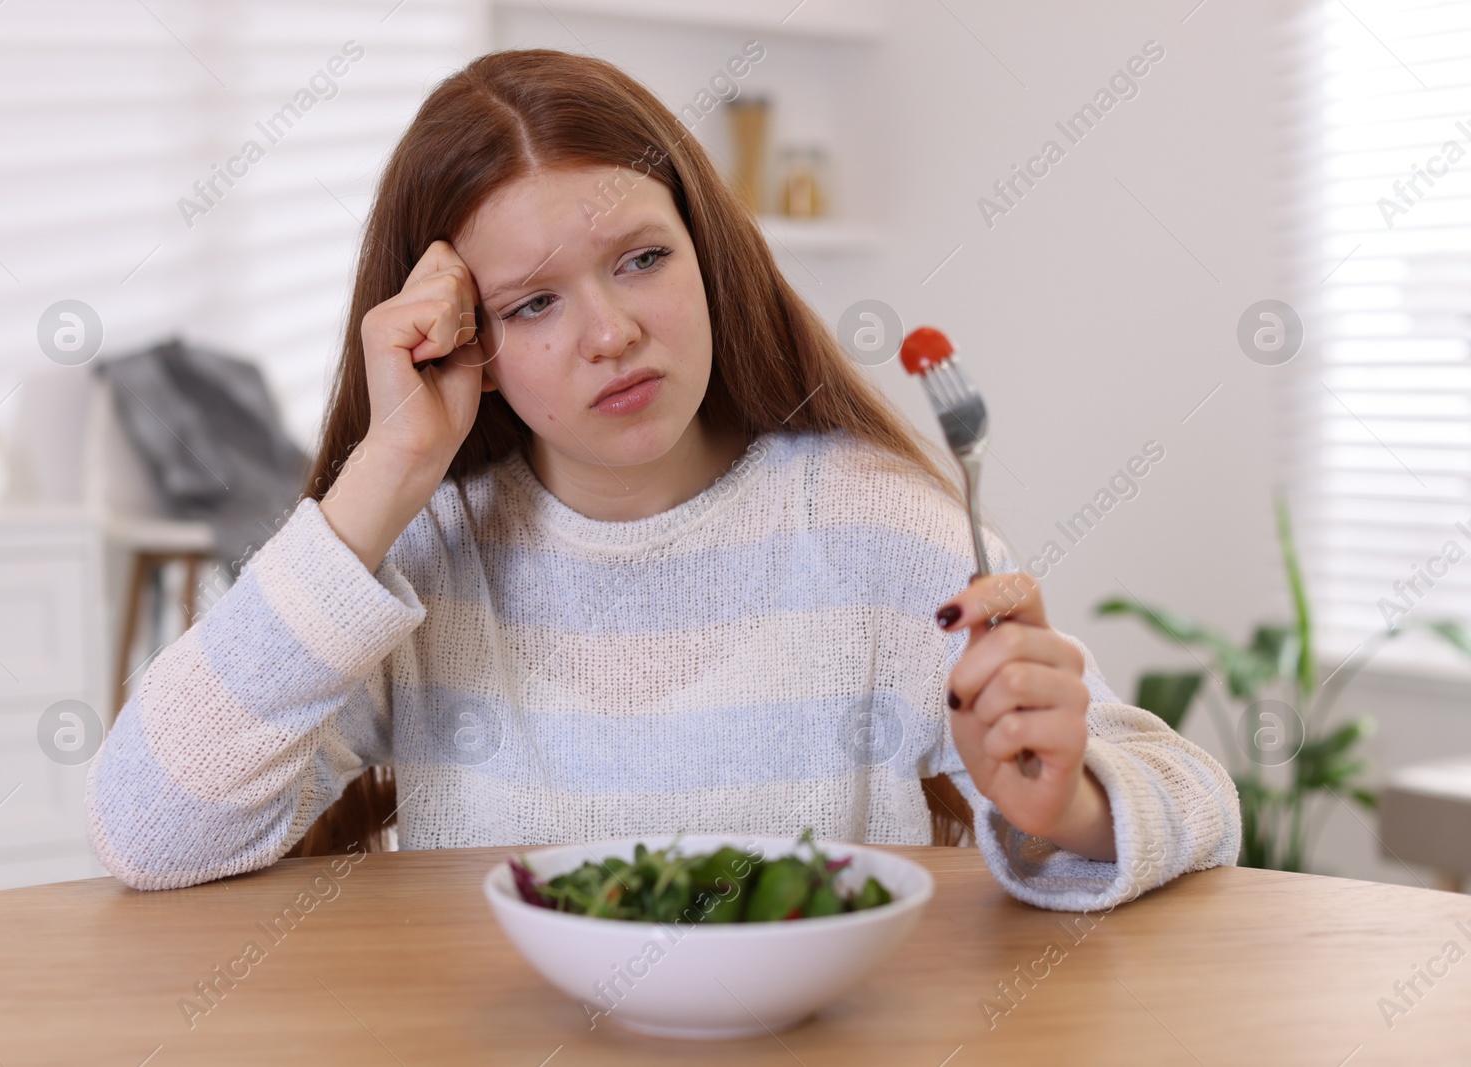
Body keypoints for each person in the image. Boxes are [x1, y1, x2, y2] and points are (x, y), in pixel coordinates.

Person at [84, 48, 1240, 912]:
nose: (611, 331)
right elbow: (143, 826)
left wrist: (1067, 802)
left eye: (642, 258)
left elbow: (1191, 796)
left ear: (708, 252)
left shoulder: (874, 526)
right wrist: (384, 473)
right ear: (457, 343)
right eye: (532, 303)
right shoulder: (424, 552)